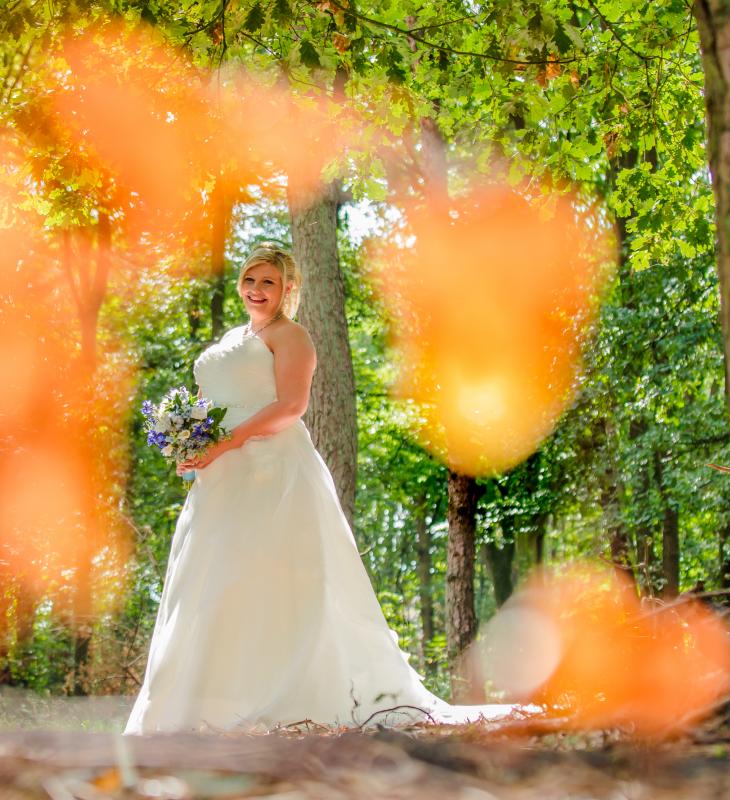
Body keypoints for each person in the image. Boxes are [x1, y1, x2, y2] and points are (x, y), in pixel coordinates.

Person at [123, 242, 520, 735]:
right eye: (250, 280)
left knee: (273, 577)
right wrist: (192, 441)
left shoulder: (292, 337)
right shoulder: (234, 336)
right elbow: (213, 399)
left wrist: (226, 442)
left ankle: (285, 697)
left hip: (272, 472)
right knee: (213, 581)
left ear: (288, 288)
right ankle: (202, 705)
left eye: (268, 282)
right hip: (219, 479)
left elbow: (291, 406)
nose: (256, 290)